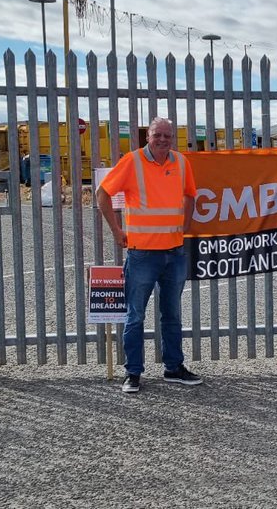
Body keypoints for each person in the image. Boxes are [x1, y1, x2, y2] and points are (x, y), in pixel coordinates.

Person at [97, 117, 202, 394]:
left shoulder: (181, 163)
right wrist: (116, 230)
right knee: (135, 316)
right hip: (142, 253)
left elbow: (191, 194)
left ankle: (173, 368)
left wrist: (186, 225)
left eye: (168, 135)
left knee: (172, 315)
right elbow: (103, 194)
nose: (163, 140)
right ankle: (132, 373)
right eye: (158, 135)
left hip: (174, 252)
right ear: (148, 136)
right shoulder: (132, 162)